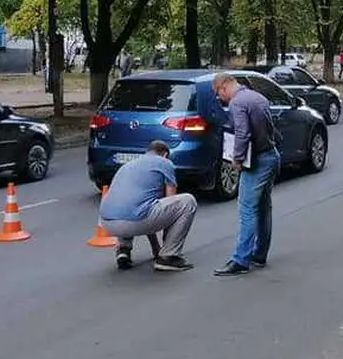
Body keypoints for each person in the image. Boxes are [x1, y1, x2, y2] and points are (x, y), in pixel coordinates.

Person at [211, 73, 281, 277]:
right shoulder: (257, 97)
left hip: (256, 161)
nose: (220, 98)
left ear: (224, 86)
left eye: (218, 93)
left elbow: (242, 133)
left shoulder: (237, 103)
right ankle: (259, 253)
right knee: (263, 207)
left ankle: (240, 260)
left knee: (247, 209)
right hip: (271, 155)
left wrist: (237, 159)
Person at [99, 140, 197, 272]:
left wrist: (155, 247)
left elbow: (146, 207)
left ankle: (123, 250)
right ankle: (168, 257)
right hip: (133, 220)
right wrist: (163, 249)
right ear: (165, 155)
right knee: (187, 202)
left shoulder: (128, 165)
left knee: (129, 203)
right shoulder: (165, 163)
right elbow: (170, 202)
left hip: (106, 222)